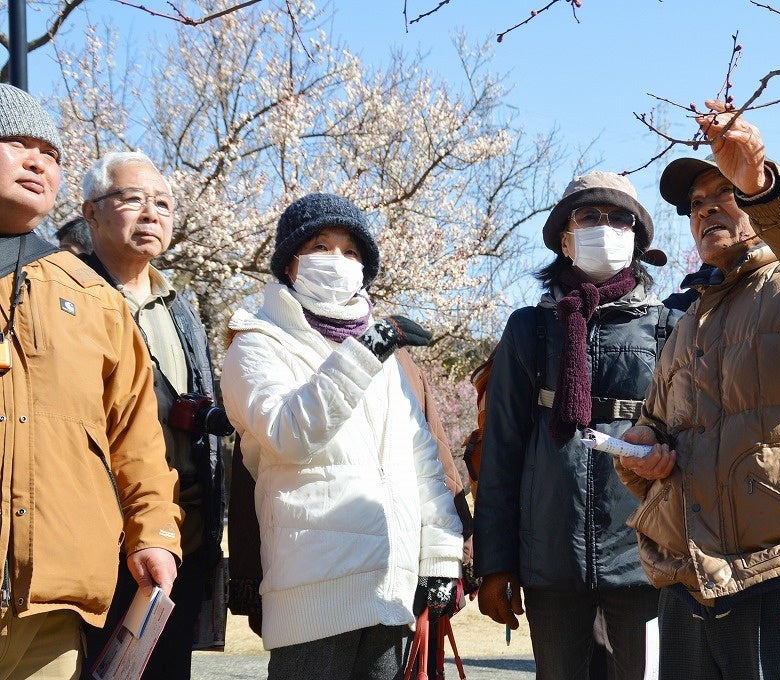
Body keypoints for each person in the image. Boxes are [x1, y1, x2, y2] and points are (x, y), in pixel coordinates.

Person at [617, 99, 780, 679]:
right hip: (691, 595)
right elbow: (658, 432)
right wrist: (643, 454)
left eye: (724, 197)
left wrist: (762, 183)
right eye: (696, 205)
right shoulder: (688, 323)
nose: (708, 210)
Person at [220, 192, 463, 680]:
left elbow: (423, 463)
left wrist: (440, 556)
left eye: (351, 252)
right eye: (321, 247)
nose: (338, 261)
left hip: (390, 590)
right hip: (314, 591)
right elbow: (289, 435)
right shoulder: (256, 343)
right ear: (290, 262)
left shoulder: (386, 355)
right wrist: (365, 350)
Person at [0, 84, 181, 678]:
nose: (37, 162)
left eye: (49, 154)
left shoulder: (94, 299)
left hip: (53, 605)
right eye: (14, 143)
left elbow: (137, 438)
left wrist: (154, 532)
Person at [473, 170, 678, 680]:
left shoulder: (670, 328)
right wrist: (495, 563)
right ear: (564, 237)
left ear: (638, 238)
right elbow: (501, 452)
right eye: (589, 217)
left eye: (618, 219)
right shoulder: (529, 328)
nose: (603, 227)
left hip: (645, 564)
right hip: (550, 563)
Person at [78, 151, 229, 678]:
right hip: (98, 535)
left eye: (163, 203)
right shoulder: (67, 295)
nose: (152, 214)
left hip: (181, 532)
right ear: (90, 212)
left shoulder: (179, 307)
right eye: (133, 199)